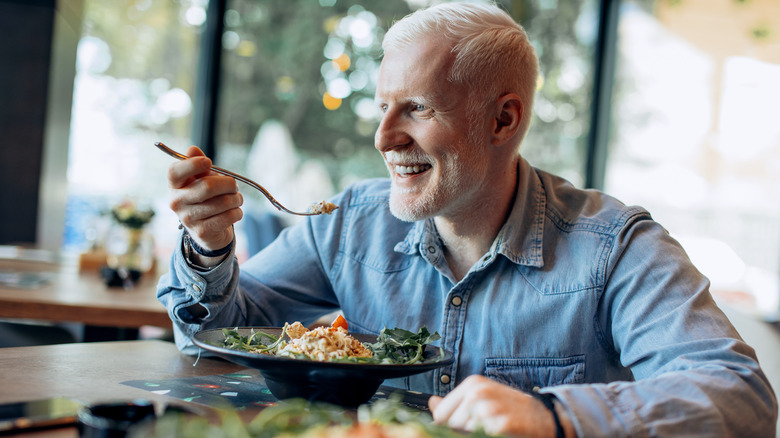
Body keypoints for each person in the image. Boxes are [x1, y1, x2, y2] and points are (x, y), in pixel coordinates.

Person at [157, 2, 777, 436]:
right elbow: (211, 336)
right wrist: (210, 247)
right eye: (381, 107)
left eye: (417, 108)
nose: (383, 137)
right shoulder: (350, 222)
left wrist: (556, 419)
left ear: (503, 120)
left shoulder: (615, 248)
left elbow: (741, 398)